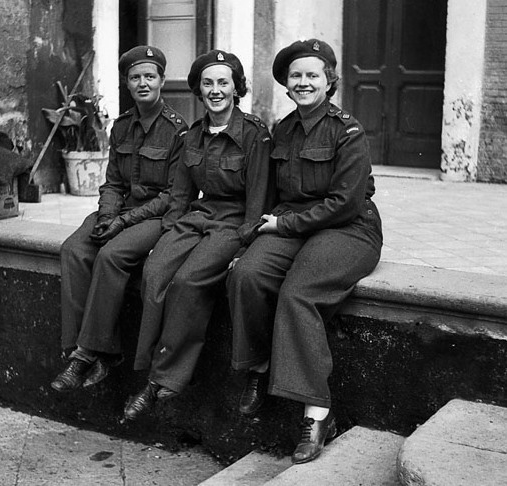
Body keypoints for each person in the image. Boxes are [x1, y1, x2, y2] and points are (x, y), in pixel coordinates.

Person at [227, 39, 383, 464]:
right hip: (294, 224)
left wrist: (284, 225)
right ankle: (259, 367)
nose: (303, 82)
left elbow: (345, 204)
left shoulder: (348, 131)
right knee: (247, 274)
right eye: (296, 75)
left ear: (329, 81)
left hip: (348, 229)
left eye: (313, 75)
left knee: (299, 292)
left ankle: (317, 413)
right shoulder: (282, 130)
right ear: (286, 83)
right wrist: (254, 237)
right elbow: (275, 193)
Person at [122, 50, 274, 421]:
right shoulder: (191, 135)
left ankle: (163, 381)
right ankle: (149, 365)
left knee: (188, 280)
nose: (215, 90)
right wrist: (167, 236)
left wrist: (246, 244)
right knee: (155, 271)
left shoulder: (254, 134)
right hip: (198, 216)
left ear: (236, 88)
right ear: (198, 89)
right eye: (208, 83)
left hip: (234, 222)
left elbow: (258, 198)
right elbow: (180, 196)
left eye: (223, 83)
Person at [51, 45, 188, 392]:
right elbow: (113, 182)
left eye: (150, 76)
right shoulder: (122, 126)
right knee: (74, 249)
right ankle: (82, 350)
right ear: (127, 83)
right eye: (135, 77)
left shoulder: (178, 130)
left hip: (157, 215)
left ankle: (87, 355)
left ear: (161, 81)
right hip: (121, 209)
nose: (143, 83)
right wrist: (108, 215)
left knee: (112, 255)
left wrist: (122, 223)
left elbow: (173, 196)